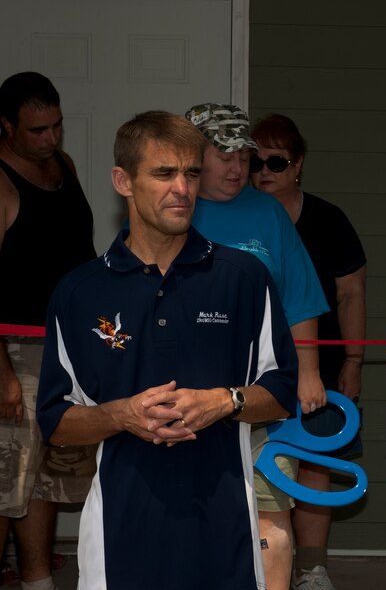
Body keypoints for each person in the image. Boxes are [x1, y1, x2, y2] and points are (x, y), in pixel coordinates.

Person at [35, 110, 299, 589]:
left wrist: (225, 401)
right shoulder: (78, 292)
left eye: (191, 173)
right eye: (163, 173)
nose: (182, 188)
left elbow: (282, 391)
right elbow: (54, 422)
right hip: (120, 539)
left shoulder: (242, 278)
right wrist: (122, 415)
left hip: (226, 535)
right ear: (123, 180)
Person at [0, 71, 96, 590]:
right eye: (37, 130)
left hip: (66, 350)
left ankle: (37, 580)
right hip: (6, 351)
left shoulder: (64, 166)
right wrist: (0, 373)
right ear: (6, 124)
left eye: (56, 126)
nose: (51, 139)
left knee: (45, 480)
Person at [185, 103, 329, 590]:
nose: (236, 167)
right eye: (221, 153)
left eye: (242, 156)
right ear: (191, 155)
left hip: (265, 393)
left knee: (270, 513)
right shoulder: (170, 208)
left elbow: (301, 298)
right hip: (188, 395)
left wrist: (308, 372)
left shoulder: (267, 212)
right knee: (192, 513)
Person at [250, 114, 367, 590]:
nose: (263, 170)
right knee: (261, 462)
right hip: (257, 368)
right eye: (254, 161)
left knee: (315, 460)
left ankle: (311, 567)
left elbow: (351, 295)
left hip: (323, 366)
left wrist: (355, 362)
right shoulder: (237, 216)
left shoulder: (329, 220)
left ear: (297, 165)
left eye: (275, 161)